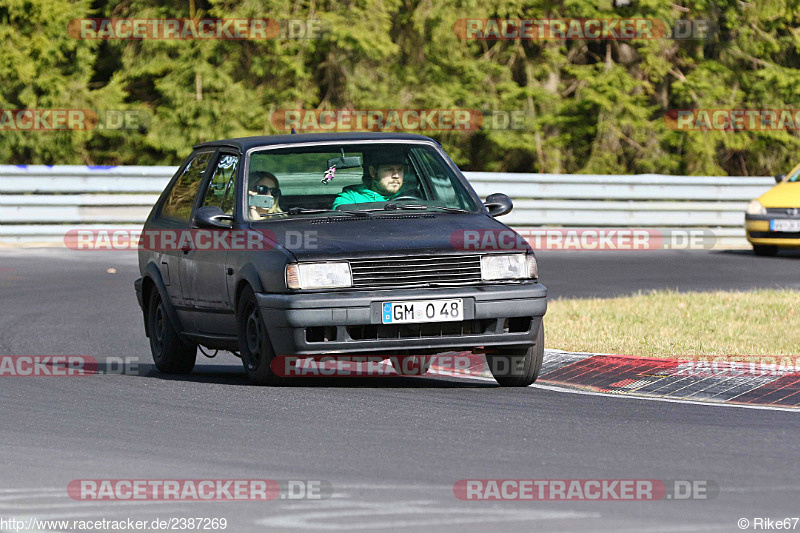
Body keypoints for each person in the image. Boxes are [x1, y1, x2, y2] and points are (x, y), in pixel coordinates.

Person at [331, 152, 410, 209]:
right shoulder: (350, 198)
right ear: (373, 172)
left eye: (400, 170)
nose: (396, 175)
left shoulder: (411, 198)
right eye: (389, 170)